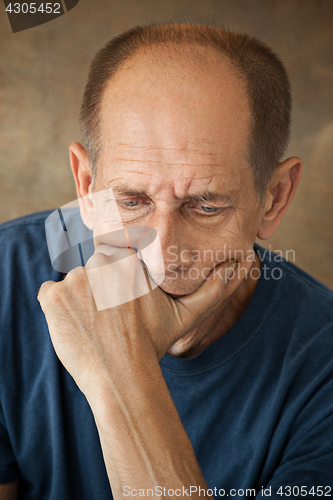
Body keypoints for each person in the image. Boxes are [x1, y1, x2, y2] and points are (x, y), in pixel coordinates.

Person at [0, 23, 332, 500]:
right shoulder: (5, 280)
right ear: (87, 184)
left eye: (206, 206)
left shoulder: (323, 369)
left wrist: (122, 370)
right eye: (132, 201)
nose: (162, 257)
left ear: (274, 199)